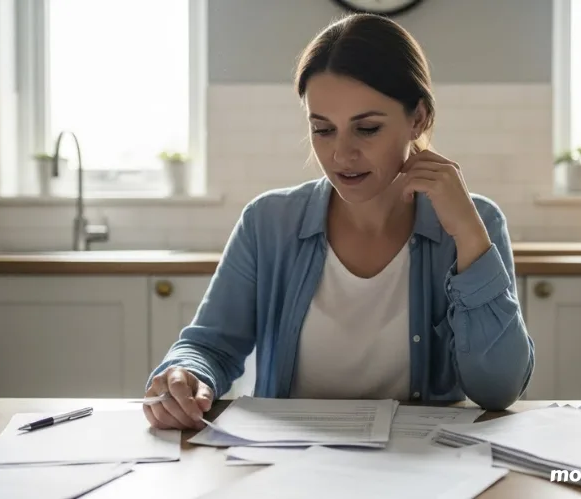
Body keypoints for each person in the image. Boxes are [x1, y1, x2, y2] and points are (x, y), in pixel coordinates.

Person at [143, 13, 535, 431]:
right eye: (323, 129)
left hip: (423, 473)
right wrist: (184, 374)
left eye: (366, 129)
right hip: (289, 469)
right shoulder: (268, 222)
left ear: (417, 118)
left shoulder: (477, 222)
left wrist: (469, 236)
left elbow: (499, 389)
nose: (341, 155)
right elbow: (209, 347)